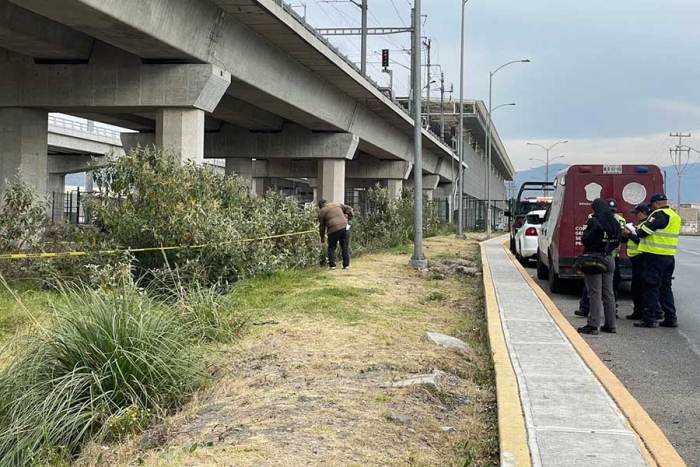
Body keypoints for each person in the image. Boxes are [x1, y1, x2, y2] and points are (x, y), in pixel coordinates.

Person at [633, 193, 681, 328]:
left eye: (651, 205)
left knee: (651, 287)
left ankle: (649, 319)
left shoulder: (658, 214)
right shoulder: (674, 215)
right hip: (669, 256)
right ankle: (671, 318)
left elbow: (643, 232)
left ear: (655, 203)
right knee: (665, 287)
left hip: (655, 256)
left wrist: (638, 228)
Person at [574, 199, 625, 318]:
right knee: (609, 292)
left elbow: (586, 239)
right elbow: (622, 239)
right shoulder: (616, 222)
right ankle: (610, 323)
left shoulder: (595, 221)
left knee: (594, 293)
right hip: (610, 258)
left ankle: (593, 324)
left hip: (595, 259)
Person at [620, 203, 650, 320]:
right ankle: (639, 311)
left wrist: (630, 234)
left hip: (641, 258)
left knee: (639, 287)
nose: (635, 216)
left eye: (637, 213)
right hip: (635, 258)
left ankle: (640, 312)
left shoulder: (646, 226)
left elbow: (640, 241)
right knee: (637, 286)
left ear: (644, 213)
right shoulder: (640, 225)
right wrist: (625, 235)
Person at [318, 199, 354, 270]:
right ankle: (346, 265)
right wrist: (350, 220)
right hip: (344, 227)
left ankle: (332, 265)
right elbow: (349, 209)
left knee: (331, 247)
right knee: (344, 247)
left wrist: (322, 238)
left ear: (320, 206)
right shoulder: (337, 204)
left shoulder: (321, 212)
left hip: (333, 230)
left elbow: (322, 227)